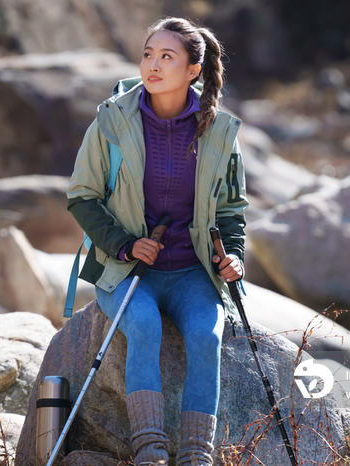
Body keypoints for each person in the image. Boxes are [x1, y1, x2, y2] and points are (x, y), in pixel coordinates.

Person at [66, 16, 248, 466]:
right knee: (143, 325)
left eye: (167, 56)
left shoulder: (219, 133)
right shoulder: (111, 121)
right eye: (148, 53)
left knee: (207, 338)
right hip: (126, 269)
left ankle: (195, 457)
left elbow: (231, 212)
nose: (153, 64)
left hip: (193, 272)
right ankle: (150, 452)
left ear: (193, 71)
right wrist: (126, 244)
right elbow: (82, 197)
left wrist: (235, 258)